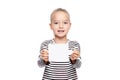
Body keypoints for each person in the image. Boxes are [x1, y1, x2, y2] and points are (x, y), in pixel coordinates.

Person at [37, 8, 81, 80]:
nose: (61, 26)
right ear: (51, 26)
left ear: (69, 25)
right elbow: (40, 64)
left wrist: (74, 60)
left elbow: (78, 65)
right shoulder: (45, 44)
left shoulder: (74, 45)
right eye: (56, 23)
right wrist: (44, 60)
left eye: (65, 23)